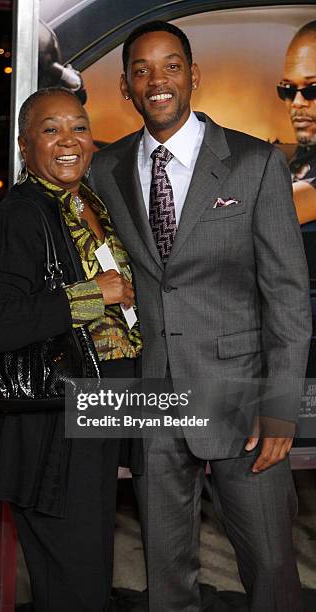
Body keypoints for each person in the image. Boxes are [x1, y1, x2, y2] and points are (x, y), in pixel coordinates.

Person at [89, 21, 312, 612]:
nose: (156, 80)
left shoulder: (254, 163)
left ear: (193, 76)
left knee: (269, 568)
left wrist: (282, 410)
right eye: (141, 70)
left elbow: (288, 296)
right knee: (166, 575)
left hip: (243, 405)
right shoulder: (104, 171)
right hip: (153, 401)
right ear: (125, 87)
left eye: (170, 66)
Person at [0, 87, 142, 612]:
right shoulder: (19, 214)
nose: (69, 140)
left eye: (79, 127)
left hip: (97, 416)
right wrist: (96, 293)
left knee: (88, 572)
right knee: (76, 585)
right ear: (24, 147)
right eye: (50, 129)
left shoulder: (89, 204)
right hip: (52, 431)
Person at [278, 20, 316, 224]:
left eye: (312, 89)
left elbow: (271, 213)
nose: (297, 103)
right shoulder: (306, 152)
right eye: (288, 90)